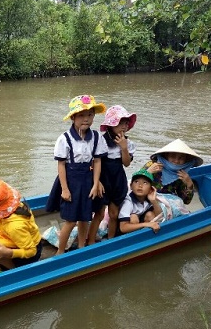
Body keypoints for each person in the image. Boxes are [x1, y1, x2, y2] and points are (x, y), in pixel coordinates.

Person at [46, 94, 108, 254]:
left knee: (85, 216)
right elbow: (61, 165)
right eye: (81, 115)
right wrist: (65, 189)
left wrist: (96, 184)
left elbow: (97, 161)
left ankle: (82, 245)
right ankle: (60, 251)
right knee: (71, 219)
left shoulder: (96, 137)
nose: (86, 119)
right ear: (73, 117)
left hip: (88, 180)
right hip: (71, 180)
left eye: (90, 115)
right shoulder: (65, 139)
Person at [87, 105, 137, 244]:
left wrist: (124, 148)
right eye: (121, 122)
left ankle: (110, 240)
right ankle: (90, 242)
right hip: (103, 179)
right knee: (99, 213)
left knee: (114, 214)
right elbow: (93, 163)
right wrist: (97, 182)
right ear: (111, 124)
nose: (124, 126)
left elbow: (126, 163)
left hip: (117, 180)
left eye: (126, 123)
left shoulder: (128, 143)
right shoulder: (100, 141)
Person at [0, 179, 42, 274]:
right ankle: (6, 264)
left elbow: (31, 251)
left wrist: (7, 252)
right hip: (17, 239)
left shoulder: (15, 227)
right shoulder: (15, 207)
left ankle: (14, 271)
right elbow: (4, 222)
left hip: (29, 253)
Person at [142, 139, 203, 204]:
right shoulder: (152, 165)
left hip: (168, 204)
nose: (176, 161)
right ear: (166, 156)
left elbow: (186, 201)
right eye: (173, 156)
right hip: (147, 201)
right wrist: (148, 172)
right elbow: (135, 184)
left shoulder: (181, 174)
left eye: (181, 158)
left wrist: (189, 185)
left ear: (185, 160)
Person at [118, 169, 162, 234]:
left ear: (151, 188)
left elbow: (159, 216)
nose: (140, 186)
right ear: (131, 186)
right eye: (136, 182)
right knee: (133, 217)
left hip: (141, 222)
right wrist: (146, 224)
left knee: (150, 215)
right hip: (123, 230)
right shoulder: (128, 201)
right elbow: (123, 228)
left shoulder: (149, 198)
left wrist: (153, 201)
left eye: (145, 183)